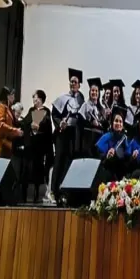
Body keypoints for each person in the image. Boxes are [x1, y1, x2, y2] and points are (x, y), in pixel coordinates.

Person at [51, 68, 85, 201]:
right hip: (63, 134)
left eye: (75, 82)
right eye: (71, 82)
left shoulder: (81, 99)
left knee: (69, 162)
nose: (73, 84)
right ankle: (53, 190)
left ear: (79, 85)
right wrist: (60, 123)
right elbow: (55, 114)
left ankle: (65, 192)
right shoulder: (62, 98)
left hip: (74, 134)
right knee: (59, 160)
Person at [20, 90, 54, 203]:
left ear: (40, 99)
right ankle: (24, 195)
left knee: (38, 171)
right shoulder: (31, 110)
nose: (34, 100)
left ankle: (37, 195)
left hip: (40, 146)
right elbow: (25, 123)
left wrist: (39, 127)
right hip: (30, 145)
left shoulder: (46, 111)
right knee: (26, 170)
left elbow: (48, 128)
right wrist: (29, 125)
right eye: (33, 98)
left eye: (35, 98)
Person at [0, 86, 23, 158]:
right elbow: (0, 124)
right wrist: (15, 130)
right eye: (13, 95)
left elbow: (13, 122)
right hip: (0, 141)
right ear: (8, 96)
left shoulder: (7, 108)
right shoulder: (0, 107)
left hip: (6, 142)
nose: (14, 97)